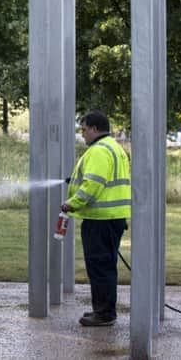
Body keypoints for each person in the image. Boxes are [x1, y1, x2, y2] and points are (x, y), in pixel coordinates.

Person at [62, 110, 131, 326]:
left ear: (94, 129)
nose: (82, 134)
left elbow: (93, 184)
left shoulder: (99, 151)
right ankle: (104, 311)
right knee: (106, 266)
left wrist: (71, 203)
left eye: (83, 130)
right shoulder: (114, 147)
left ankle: (104, 314)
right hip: (112, 218)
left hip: (101, 220)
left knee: (100, 267)